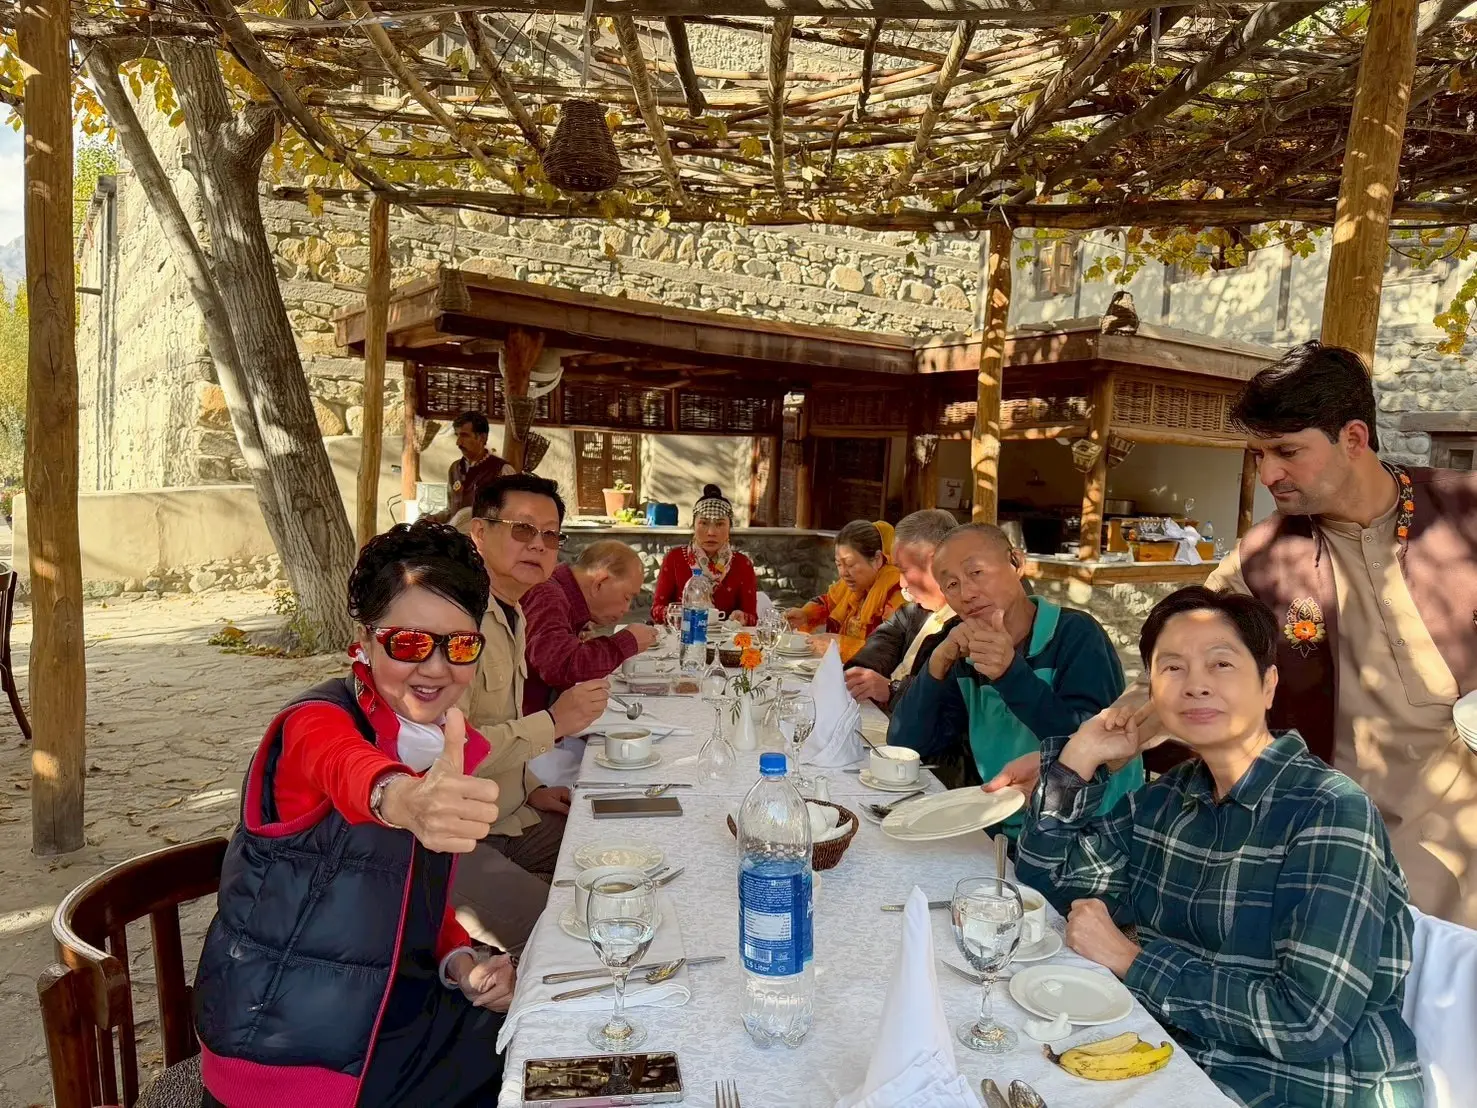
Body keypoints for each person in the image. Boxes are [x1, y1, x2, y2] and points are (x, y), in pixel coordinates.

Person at [996, 341, 1477, 926]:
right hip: (1339, 841)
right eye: (1259, 454)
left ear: (1354, 438)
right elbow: (1185, 664)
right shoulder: (1263, 558)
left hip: (1464, 830)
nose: (1269, 473)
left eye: (1287, 451)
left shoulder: (1465, 512)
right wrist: (1079, 759)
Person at [1016, 586, 1422, 1108]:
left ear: (1268, 684)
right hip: (1179, 1055)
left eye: (1221, 664)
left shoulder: (1328, 810)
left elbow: (1307, 1022)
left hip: (1304, 1086)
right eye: (1173, 668)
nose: (1196, 685)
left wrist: (1132, 960)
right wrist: (1078, 761)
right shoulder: (1168, 798)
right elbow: (1045, 882)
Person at [193, 520, 514, 1108]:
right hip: (295, 1050)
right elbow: (349, 769)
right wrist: (403, 798)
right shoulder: (315, 721)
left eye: (460, 645)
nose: (436, 667)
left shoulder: (436, 740)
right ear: (364, 639)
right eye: (408, 643)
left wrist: (459, 959)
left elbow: (406, 893)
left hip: (392, 1012)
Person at [888, 523, 1140, 827]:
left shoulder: (1076, 635)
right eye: (952, 585)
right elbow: (906, 748)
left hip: (1089, 830)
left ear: (1016, 563)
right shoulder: (965, 652)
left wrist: (1010, 674)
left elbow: (1092, 746)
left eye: (976, 572)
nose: (967, 593)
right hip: (1000, 825)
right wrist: (936, 666)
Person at [453, 473, 608, 953]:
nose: (538, 545)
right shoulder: (455, 623)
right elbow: (448, 753)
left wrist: (532, 786)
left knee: (617, 858)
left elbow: (494, 721)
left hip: (511, 812)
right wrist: (556, 723)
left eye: (550, 535)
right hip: (457, 839)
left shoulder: (513, 610)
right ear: (480, 533)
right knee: (572, 933)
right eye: (522, 529)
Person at [522, 540, 660, 786]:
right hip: (529, 743)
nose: (626, 608)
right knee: (619, 777)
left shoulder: (559, 593)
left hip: (547, 730)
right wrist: (626, 642)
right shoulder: (548, 595)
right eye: (627, 597)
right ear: (600, 582)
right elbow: (561, 666)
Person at [844, 508, 958, 712]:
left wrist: (893, 690)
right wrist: (859, 674)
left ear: (937, 562)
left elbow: (952, 700)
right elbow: (880, 645)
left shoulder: (970, 625)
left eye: (904, 570)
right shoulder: (912, 612)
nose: (901, 583)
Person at [786, 519, 905, 662]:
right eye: (839, 565)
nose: (843, 573)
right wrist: (805, 614)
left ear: (877, 559)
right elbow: (828, 602)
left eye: (850, 564)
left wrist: (843, 646)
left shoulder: (897, 592)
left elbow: (891, 650)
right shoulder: (850, 587)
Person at [650, 484, 759, 626]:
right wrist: (676, 613)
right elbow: (656, 610)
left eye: (719, 524)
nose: (711, 532)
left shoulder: (742, 564)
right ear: (693, 526)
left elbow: (752, 617)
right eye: (704, 523)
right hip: (684, 635)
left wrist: (743, 618)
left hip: (726, 638)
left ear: (729, 528)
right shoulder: (674, 559)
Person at [438, 410, 513, 522]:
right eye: (457, 435)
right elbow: (450, 510)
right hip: (454, 532)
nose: (458, 442)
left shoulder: (502, 470)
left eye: (464, 435)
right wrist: (434, 518)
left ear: (482, 438)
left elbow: (510, 513)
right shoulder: (454, 468)